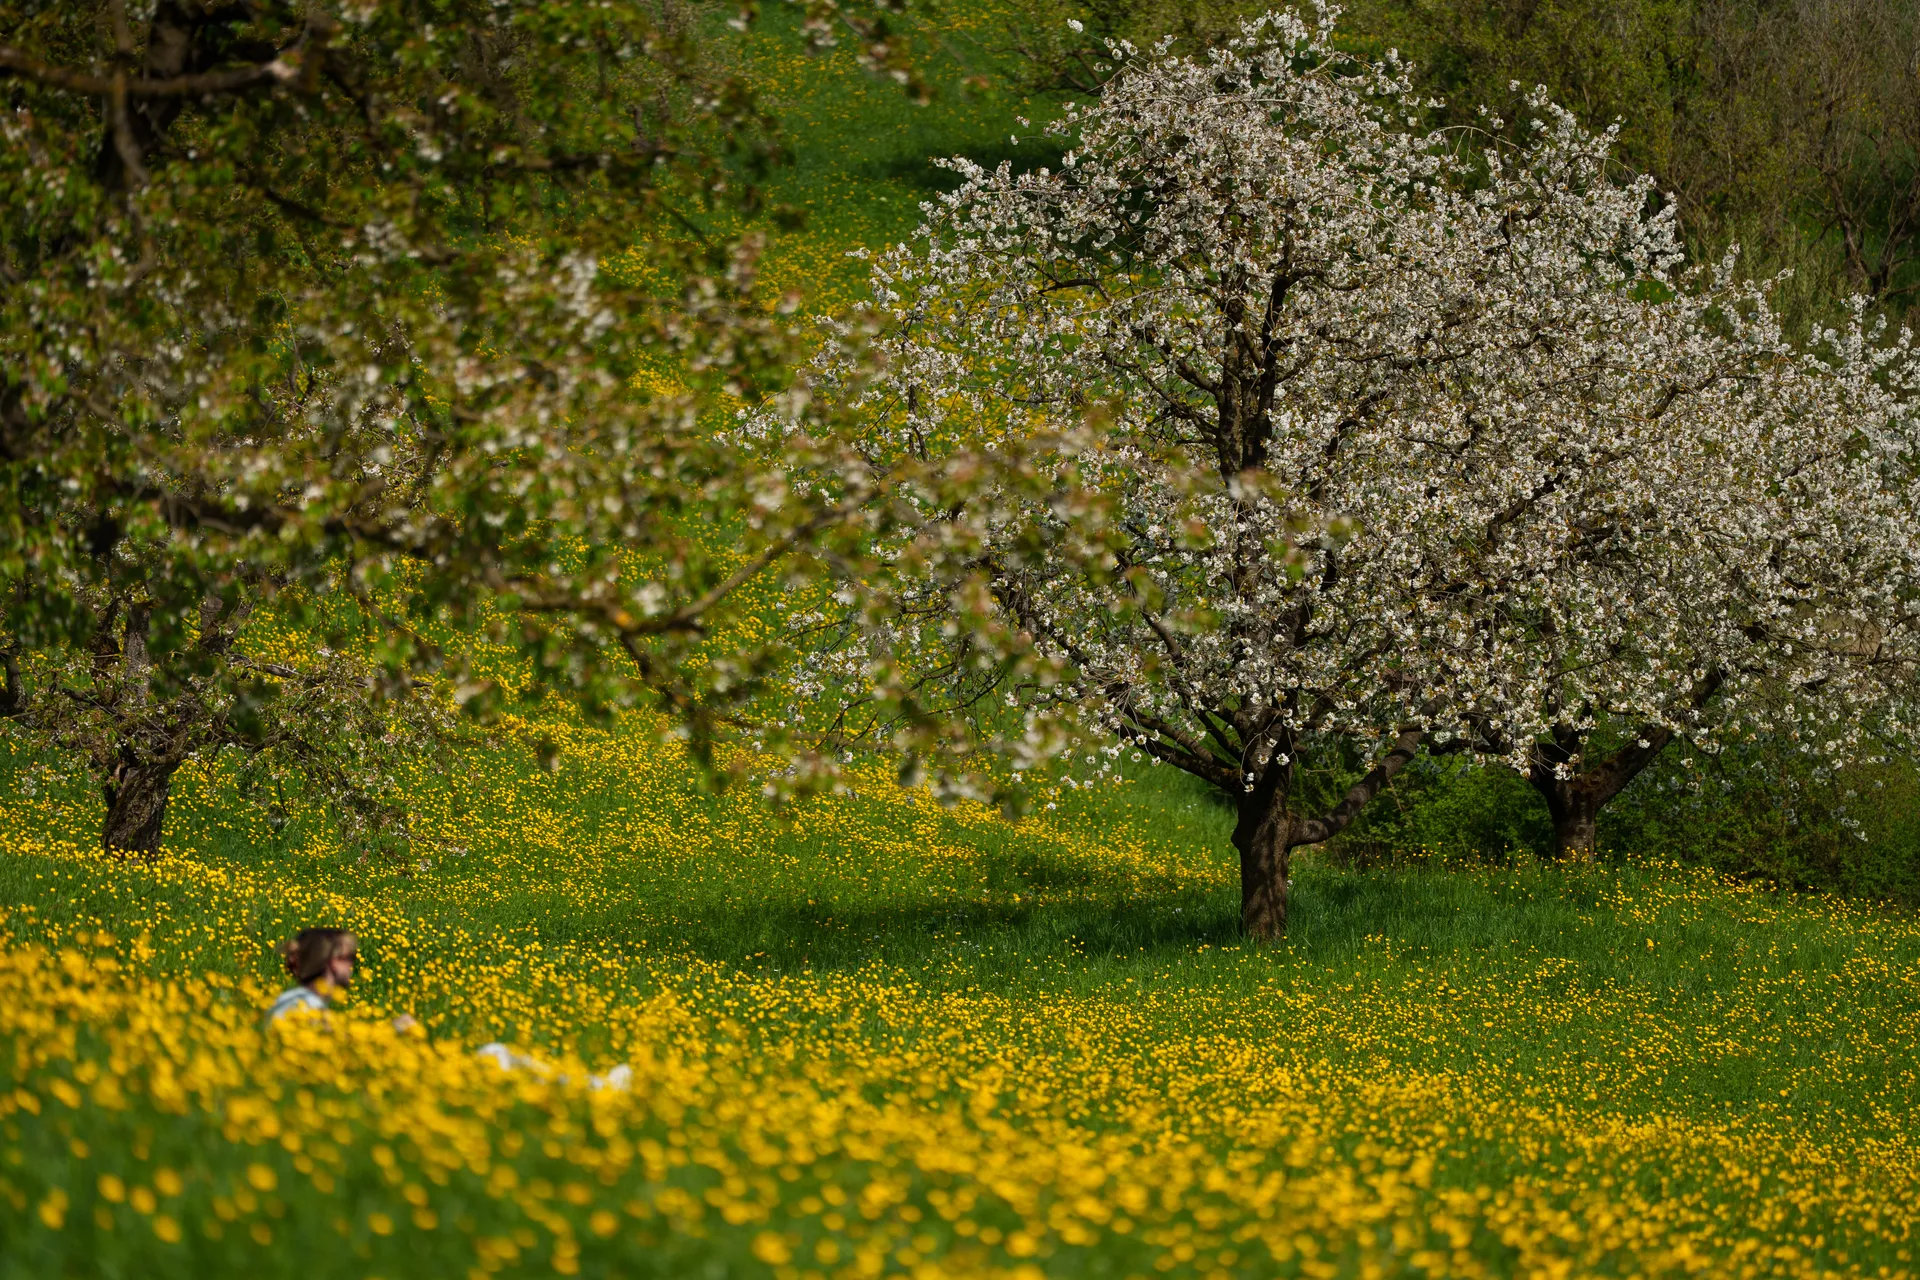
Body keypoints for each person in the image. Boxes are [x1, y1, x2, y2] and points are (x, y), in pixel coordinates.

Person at [267, 928, 417, 1032]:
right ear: (334, 963)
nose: (353, 966)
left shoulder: (287, 999)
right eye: (351, 958)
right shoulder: (307, 1009)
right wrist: (392, 1030)